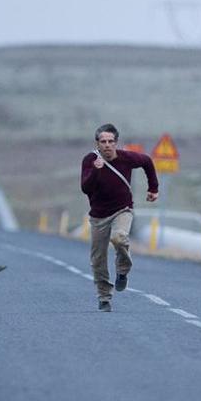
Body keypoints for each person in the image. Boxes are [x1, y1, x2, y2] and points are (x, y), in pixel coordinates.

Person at [80, 123, 158, 311]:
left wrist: (153, 189)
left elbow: (147, 161)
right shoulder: (90, 160)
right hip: (98, 216)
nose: (107, 145)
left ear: (116, 143)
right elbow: (85, 188)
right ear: (97, 143)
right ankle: (104, 297)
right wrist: (96, 171)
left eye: (110, 141)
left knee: (119, 237)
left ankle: (122, 271)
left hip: (122, 210)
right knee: (98, 259)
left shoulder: (126, 158)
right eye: (103, 141)